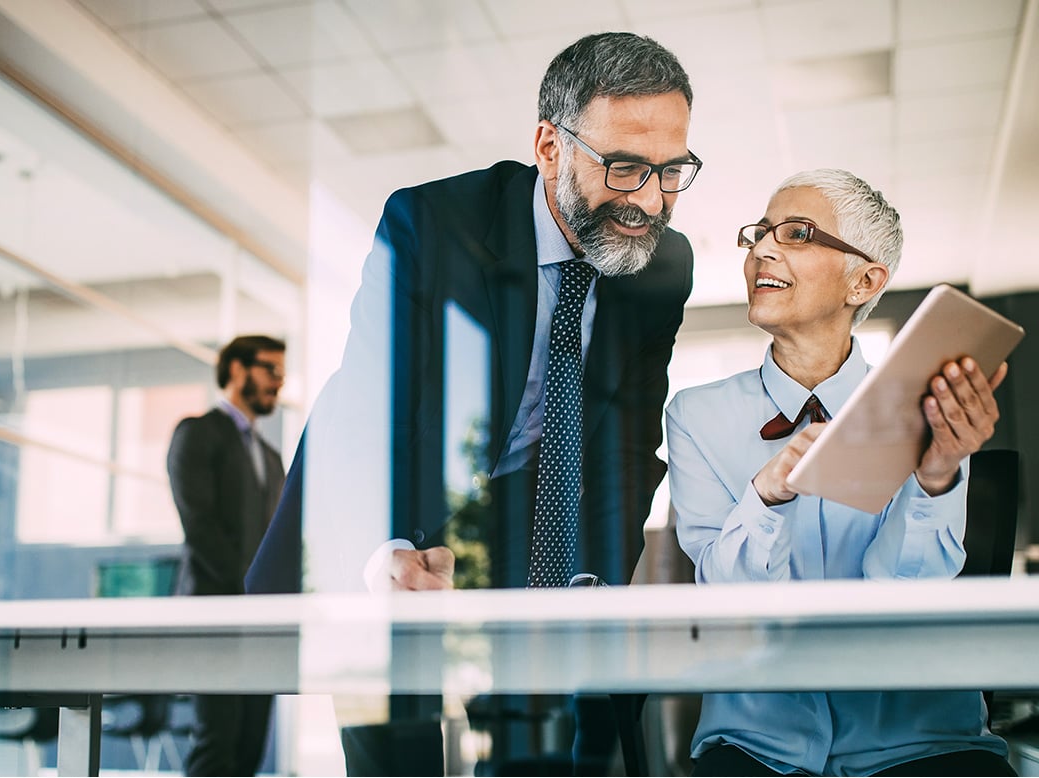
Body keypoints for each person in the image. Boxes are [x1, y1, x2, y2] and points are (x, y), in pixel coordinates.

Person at [246, 32, 699, 774]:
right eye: (623, 167)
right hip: (395, 500)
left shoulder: (660, 263)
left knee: (576, 747)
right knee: (398, 748)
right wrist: (383, 553)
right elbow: (369, 410)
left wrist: (590, 583)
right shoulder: (433, 224)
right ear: (549, 145)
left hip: (531, 517)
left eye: (670, 171)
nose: (647, 201)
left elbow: (625, 442)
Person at [665, 169, 1016, 776]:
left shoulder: (927, 402)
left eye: (797, 233)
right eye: (760, 234)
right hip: (758, 748)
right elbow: (731, 602)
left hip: (919, 741)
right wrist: (765, 494)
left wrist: (936, 475)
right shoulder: (695, 415)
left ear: (865, 280)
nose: (763, 250)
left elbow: (904, 596)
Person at [167, 334, 287, 777]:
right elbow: (200, 527)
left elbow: (278, 542)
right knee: (216, 744)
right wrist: (251, 591)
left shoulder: (272, 459)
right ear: (237, 369)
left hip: (261, 625)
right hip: (213, 617)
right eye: (271, 370)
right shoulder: (198, 433)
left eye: (282, 372)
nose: (280, 381)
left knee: (250, 749)